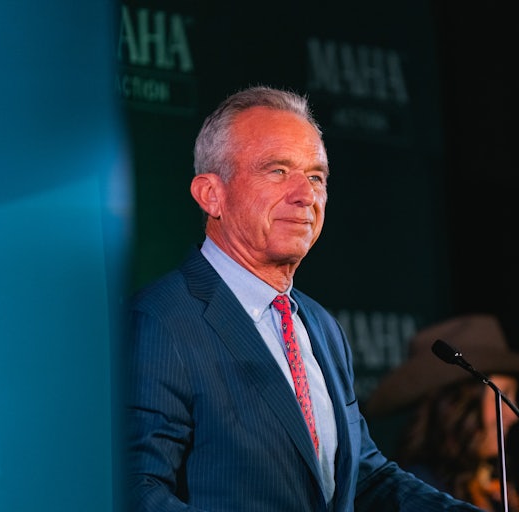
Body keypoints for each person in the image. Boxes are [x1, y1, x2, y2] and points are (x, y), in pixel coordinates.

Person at [124, 85, 484, 511]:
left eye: (316, 177)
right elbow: (137, 491)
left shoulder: (319, 326)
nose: (305, 195)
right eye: (277, 171)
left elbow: (365, 478)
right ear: (210, 194)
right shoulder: (161, 320)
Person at [364, 313, 519, 512]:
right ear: (458, 406)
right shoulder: (414, 493)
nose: (513, 415)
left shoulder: (495, 491)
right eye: (502, 396)